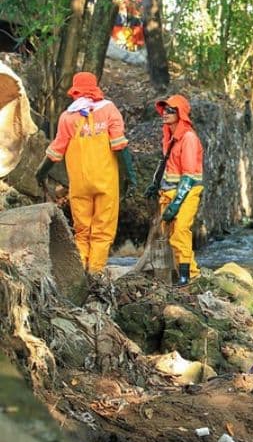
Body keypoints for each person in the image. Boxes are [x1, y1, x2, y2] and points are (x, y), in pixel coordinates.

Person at [35, 72, 136, 273]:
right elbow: (120, 146)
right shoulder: (109, 109)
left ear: (75, 91)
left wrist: (40, 173)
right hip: (105, 183)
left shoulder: (67, 116)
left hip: (80, 185)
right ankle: (96, 273)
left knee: (82, 232)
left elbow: (55, 152)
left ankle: (79, 273)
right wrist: (130, 177)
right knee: (102, 232)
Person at [145, 94, 204, 286]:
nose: (166, 113)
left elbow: (189, 175)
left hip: (186, 193)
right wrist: (155, 185)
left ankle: (188, 277)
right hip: (169, 192)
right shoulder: (170, 137)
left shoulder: (188, 138)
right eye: (164, 110)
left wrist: (176, 204)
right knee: (171, 236)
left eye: (171, 110)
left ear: (181, 114)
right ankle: (188, 273)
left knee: (180, 232)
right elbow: (166, 164)